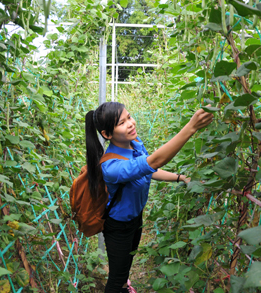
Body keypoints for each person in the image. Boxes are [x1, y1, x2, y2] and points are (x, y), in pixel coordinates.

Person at [85, 101, 214, 293]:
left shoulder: (135, 144)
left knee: (127, 262)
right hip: (118, 227)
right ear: (107, 134)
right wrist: (191, 127)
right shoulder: (111, 166)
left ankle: (124, 286)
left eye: (129, 117)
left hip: (135, 218)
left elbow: (148, 170)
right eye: (121, 123)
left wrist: (180, 177)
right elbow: (153, 161)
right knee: (115, 278)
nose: (131, 123)